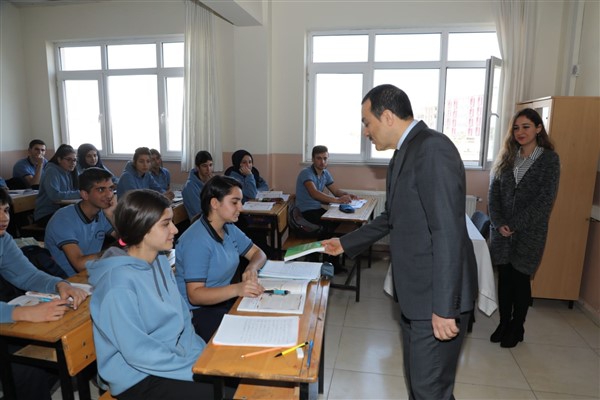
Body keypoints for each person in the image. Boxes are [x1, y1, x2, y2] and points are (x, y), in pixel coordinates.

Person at [322, 84, 477, 400]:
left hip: (435, 299)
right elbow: (392, 218)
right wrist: (346, 243)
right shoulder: (402, 155)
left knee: (430, 390)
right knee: (422, 386)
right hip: (416, 297)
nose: (365, 131)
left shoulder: (432, 149)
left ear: (388, 116)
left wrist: (444, 308)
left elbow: (447, 232)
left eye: (367, 122)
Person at [88, 189, 223, 399]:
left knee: (234, 379)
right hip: (137, 377)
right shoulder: (118, 284)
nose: (175, 229)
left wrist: (203, 358)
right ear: (141, 228)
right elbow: (138, 352)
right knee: (225, 392)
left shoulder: (160, 260)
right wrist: (194, 370)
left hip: (172, 359)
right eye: (165, 223)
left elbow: (183, 320)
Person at [0, 187, 88, 400]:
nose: (4, 218)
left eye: (5, 210)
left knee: (59, 351)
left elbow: (28, 275)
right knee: (26, 367)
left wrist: (60, 285)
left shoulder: (3, 239)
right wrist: (22, 313)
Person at [488, 108, 560, 348]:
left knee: (520, 280)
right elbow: (493, 195)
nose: (520, 132)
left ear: (538, 128)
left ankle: (517, 326)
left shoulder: (549, 160)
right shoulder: (506, 157)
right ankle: (503, 323)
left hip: (530, 233)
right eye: (516, 128)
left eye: (526, 126)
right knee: (504, 279)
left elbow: (545, 201)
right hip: (501, 233)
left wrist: (514, 224)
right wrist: (499, 223)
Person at [175, 175, 267, 343]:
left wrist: (252, 268)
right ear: (215, 203)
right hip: (196, 312)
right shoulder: (196, 240)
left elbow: (258, 253)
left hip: (221, 301)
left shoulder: (228, 228)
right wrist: (237, 289)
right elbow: (195, 295)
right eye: (234, 202)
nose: (241, 207)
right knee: (246, 338)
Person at [45, 168, 117, 277]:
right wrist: (111, 252)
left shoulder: (103, 213)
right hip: (66, 280)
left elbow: (125, 241)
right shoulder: (63, 219)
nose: (109, 195)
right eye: (101, 190)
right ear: (84, 195)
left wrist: (111, 215)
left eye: (111, 189)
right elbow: (79, 264)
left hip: (92, 273)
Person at [295, 145, 358, 235]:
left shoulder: (325, 173)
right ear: (313, 159)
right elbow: (314, 193)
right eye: (319, 158)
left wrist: (347, 195)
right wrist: (337, 200)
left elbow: (335, 191)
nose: (322, 162)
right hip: (305, 212)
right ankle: (325, 243)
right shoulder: (306, 172)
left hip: (317, 209)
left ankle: (334, 242)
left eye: (325, 158)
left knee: (341, 221)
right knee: (331, 225)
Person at [33, 144, 80, 226]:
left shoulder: (69, 172)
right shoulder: (51, 171)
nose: (73, 163)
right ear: (59, 159)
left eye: (75, 160)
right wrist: (80, 193)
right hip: (47, 214)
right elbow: (54, 195)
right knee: (78, 222)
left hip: (62, 211)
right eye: (68, 159)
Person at [182, 150, 213, 220]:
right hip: (201, 222)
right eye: (204, 166)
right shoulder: (190, 186)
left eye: (210, 165)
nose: (208, 169)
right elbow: (199, 212)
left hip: (213, 218)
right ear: (197, 167)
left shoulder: (210, 181)